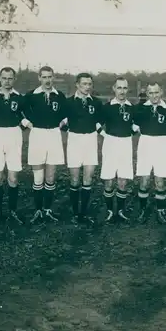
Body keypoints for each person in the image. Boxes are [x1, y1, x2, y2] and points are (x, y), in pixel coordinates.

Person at [23, 66, 68, 224]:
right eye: (44, 77)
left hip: (54, 135)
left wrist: (63, 122)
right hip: (37, 135)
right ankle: (37, 211)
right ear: (39, 78)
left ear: (53, 77)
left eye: (50, 77)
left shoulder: (59, 95)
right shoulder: (31, 96)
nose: (47, 80)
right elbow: (18, 111)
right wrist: (27, 123)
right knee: (38, 177)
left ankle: (47, 210)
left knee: (50, 176)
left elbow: (68, 112)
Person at [133, 83, 166, 224]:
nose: (154, 96)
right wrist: (137, 128)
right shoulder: (140, 108)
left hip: (160, 143)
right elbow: (132, 123)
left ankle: (160, 211)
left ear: (161, 92)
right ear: (147, 94)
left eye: (156, 92)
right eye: (151, 93)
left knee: (160, 181)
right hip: (145, 143)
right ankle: (142, 210)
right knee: (144, 180)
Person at [0, 67, 25, 226]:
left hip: (14, 135)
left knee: (13, 177)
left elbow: (27, 118)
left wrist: (17, 129)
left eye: (10, 78)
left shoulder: (20, 98)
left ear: (14, 79)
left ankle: (13, 211)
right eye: (4, 78)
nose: (7, 81)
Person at [65, 73, 103, 225]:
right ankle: (75, 213)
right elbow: (61, 122)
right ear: (77, 84)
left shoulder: (97, 103)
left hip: (90, 140)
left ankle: (84, 213)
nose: (87, 87)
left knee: (87, 179)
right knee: (74, 179)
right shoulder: (68, 103)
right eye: (84, 84)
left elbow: (100, 122)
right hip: (74, 140)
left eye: (89, 84)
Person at [99, 77, 136, 222]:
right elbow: (97, 124)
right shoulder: (107, 107)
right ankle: (109, 211)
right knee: (109, 180)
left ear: (128, 90)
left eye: (125, 88)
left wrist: (128, 135)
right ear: (114, 89)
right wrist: (106, 136)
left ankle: (120, 211)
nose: (122, 91)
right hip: (110, 144)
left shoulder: (132, 108)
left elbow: (136, 126)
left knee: (122, 181)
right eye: (119, 88)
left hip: (126, 144)